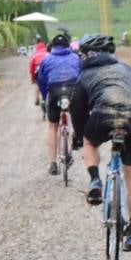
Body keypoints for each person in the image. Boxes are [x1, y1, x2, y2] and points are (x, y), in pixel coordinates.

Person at [69, 33, 131, 252]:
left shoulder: (85, 74)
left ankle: (95, 181)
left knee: (89, 143)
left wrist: (80, 137)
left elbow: (77, 110)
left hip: (101, 118)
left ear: (86, 55)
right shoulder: (128, 70)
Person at [36, 32, 81, 175]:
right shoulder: (76, 57)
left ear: (52, 46)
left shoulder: (46, 59)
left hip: (54, 91)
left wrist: (45, 96)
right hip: (73, 90)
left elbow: (41, 81)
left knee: (52, 126)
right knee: (76, 118)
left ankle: (53, 163)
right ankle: (74, 140)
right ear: (68, 45)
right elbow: (82, 77)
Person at [28, 39, 49, 106]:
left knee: (37, 84)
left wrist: (33, 79)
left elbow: (31, 69)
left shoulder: (34, 55)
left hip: (38, 71)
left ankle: (37, 99)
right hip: (47, 71)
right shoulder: (48, 54)